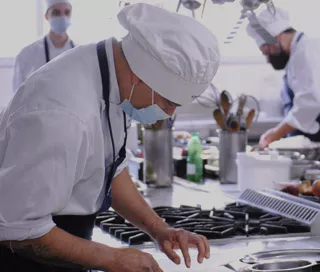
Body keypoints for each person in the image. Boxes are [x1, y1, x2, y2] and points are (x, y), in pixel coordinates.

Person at [0, 3, 220, 272]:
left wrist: (160, 231)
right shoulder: (62, 112)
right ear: (141, 76)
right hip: (21, 259)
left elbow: (110, 168)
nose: (167, 114)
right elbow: (17, 228)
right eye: (168, 101)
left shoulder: (112, 79)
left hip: (62, 244)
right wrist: (111, 258)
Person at [246, 7, 320, 165]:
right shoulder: (297, 52)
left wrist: (275, 133)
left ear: (276, 37)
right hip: (313, 135)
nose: (266, 56)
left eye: (265, 49)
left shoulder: (308, 48)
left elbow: (312, 102)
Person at [12, 0, 75, 92]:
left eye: (67, 12)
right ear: (46, 16)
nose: (62, 17)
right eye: (56, 12)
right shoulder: (27, 55)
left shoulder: (80, 52)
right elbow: (17, 97)